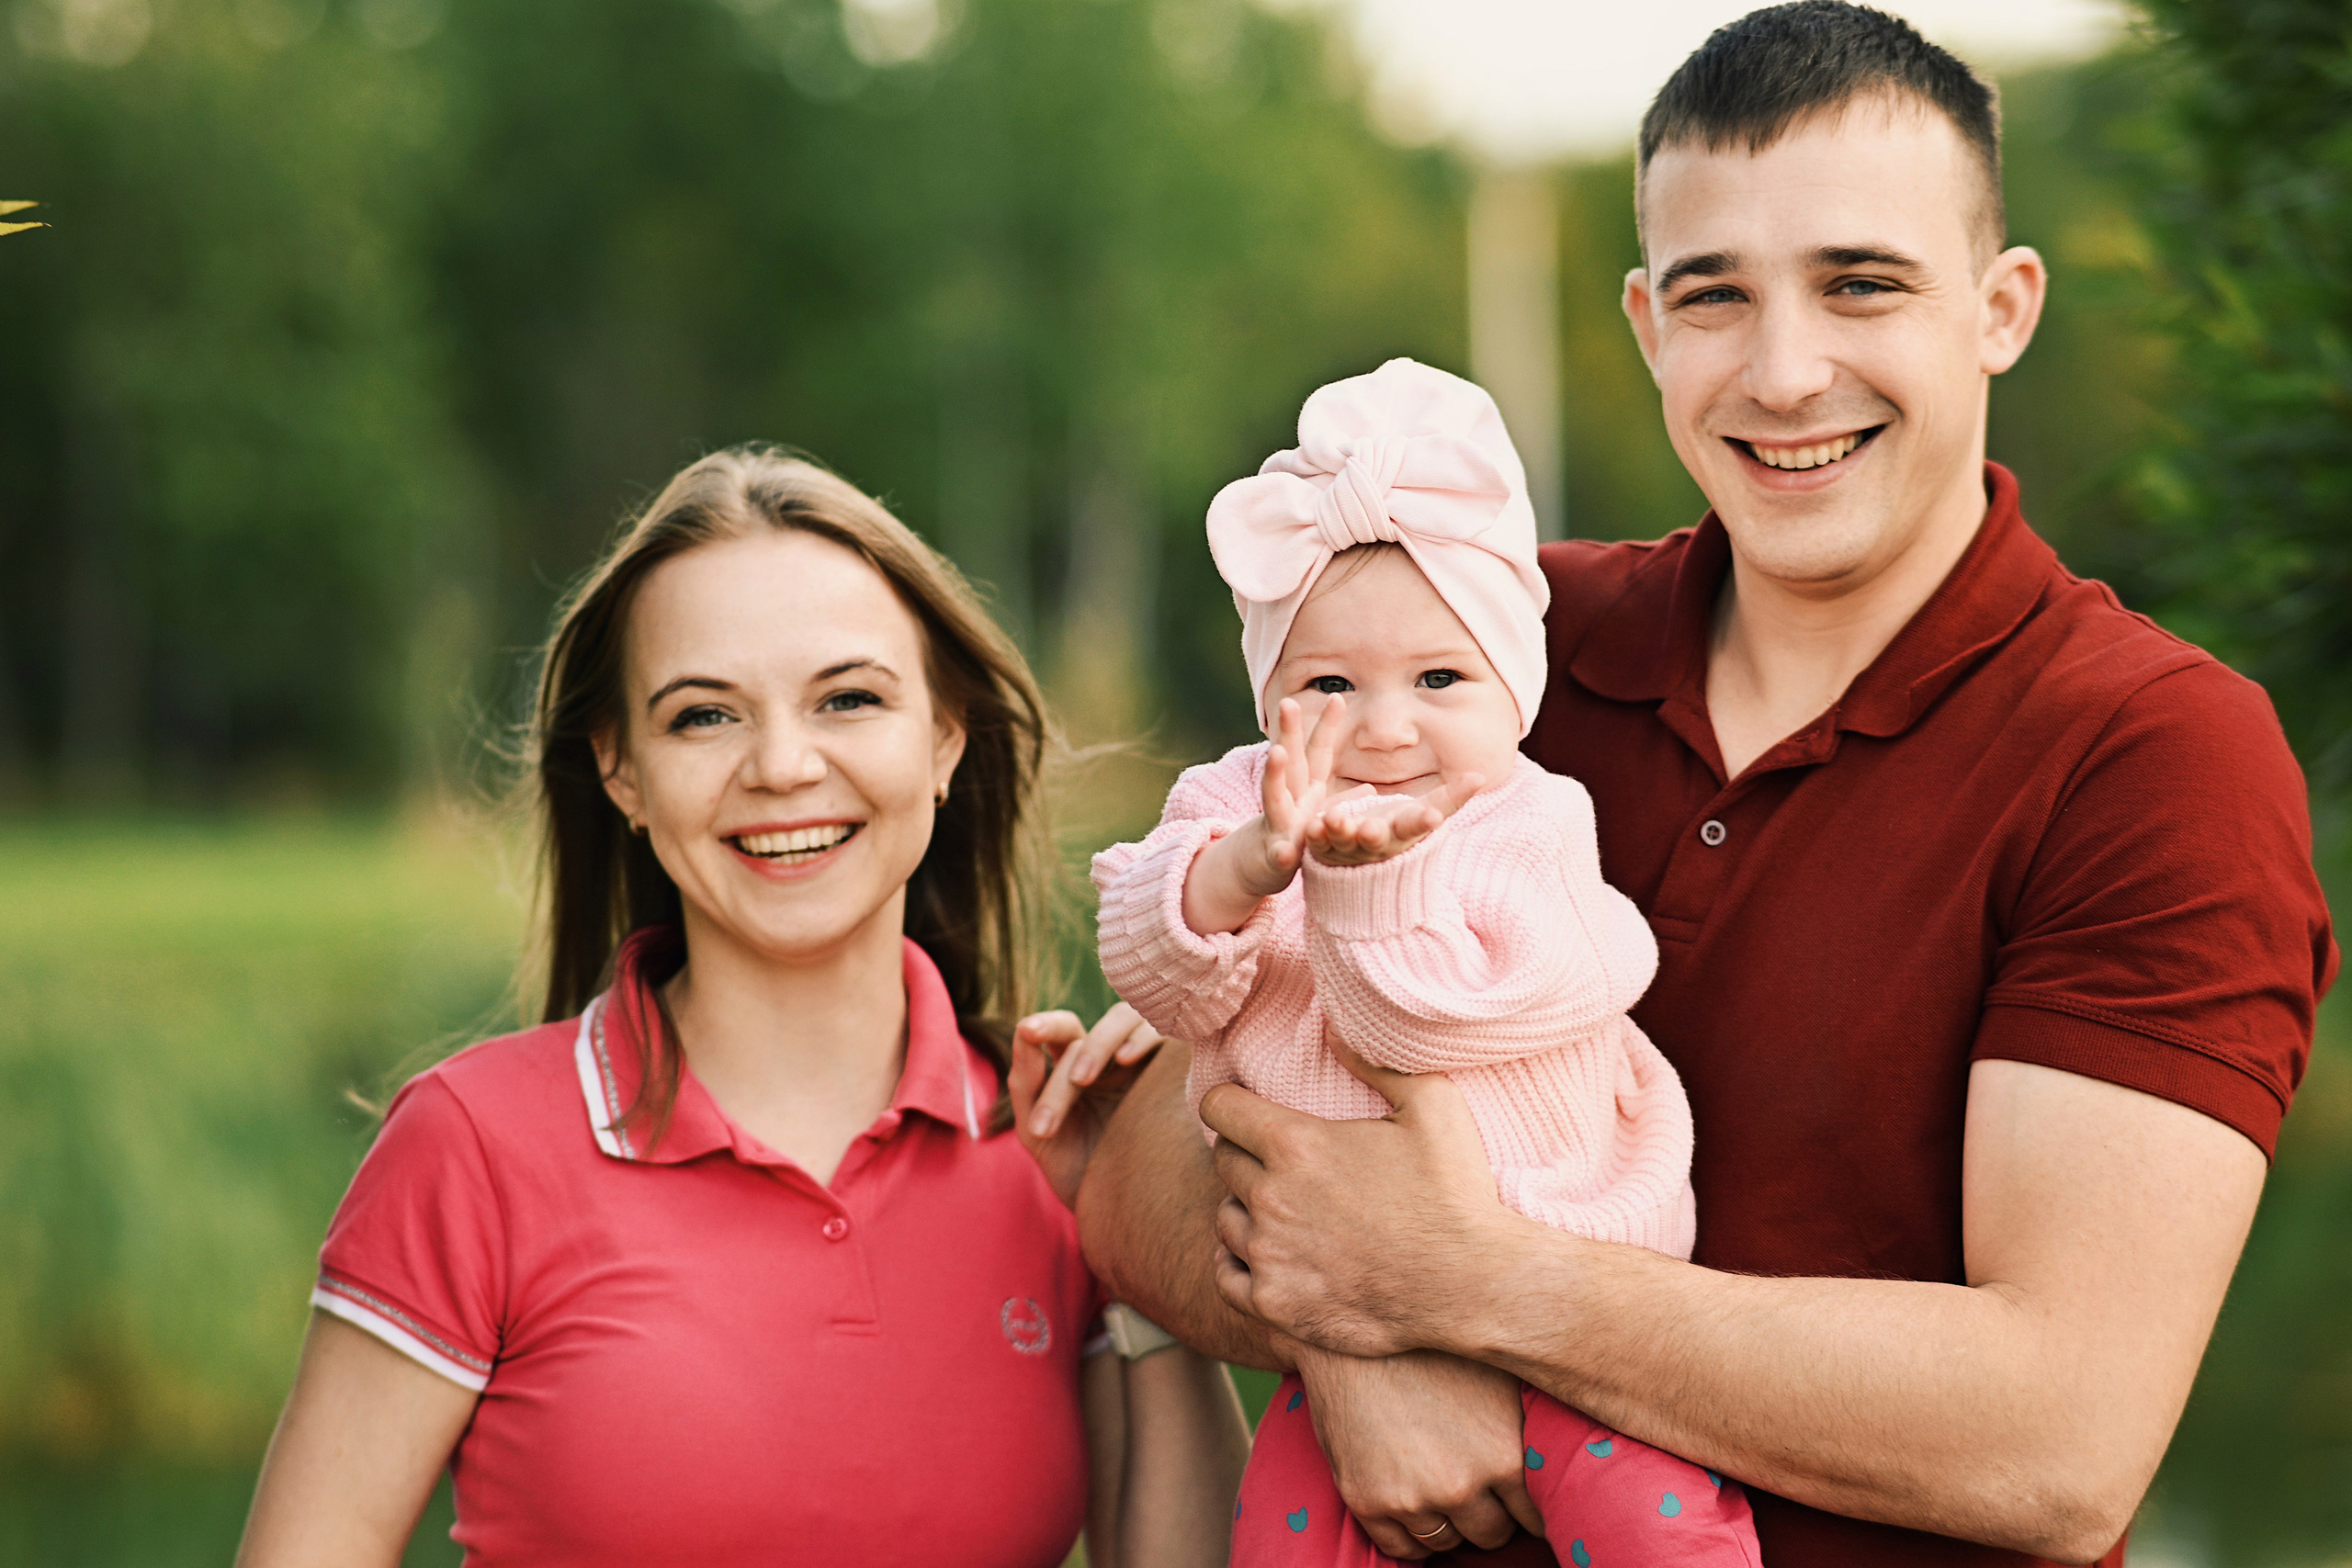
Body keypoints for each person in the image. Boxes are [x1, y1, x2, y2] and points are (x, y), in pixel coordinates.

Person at [1066, 6, 2340, 1567]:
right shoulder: (1475, 659)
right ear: (1645, 324)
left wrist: (1463, 1286)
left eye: (1860, 284)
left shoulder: (2151, 755)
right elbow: (1135, 1161)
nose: (1786, 371)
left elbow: (2052, 1438)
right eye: (1714, 295)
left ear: (2002, 307)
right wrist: (1355, 1347)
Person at [235, 447, 1249, 1568]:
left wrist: (1139, 1223)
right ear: (620, 767)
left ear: (945, 736)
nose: (780, 765)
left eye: (849, 699)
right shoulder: (470, 1151)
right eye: (704, 717)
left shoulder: (1058, 1149)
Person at [1089, 357, 1759, 1567]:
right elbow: (1155, 967)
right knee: (1281, 1536)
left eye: (1440, 679)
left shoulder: (1531, 823)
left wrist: (1362, 886)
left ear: (1513, 689)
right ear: (1272, 696)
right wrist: (1239, 870)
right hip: (1337, 1308)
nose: (1386, 727)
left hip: (1570, 1290)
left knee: (1656, 1529)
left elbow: (1432, 1026)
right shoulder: (1245, 803)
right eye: (1329, 683)